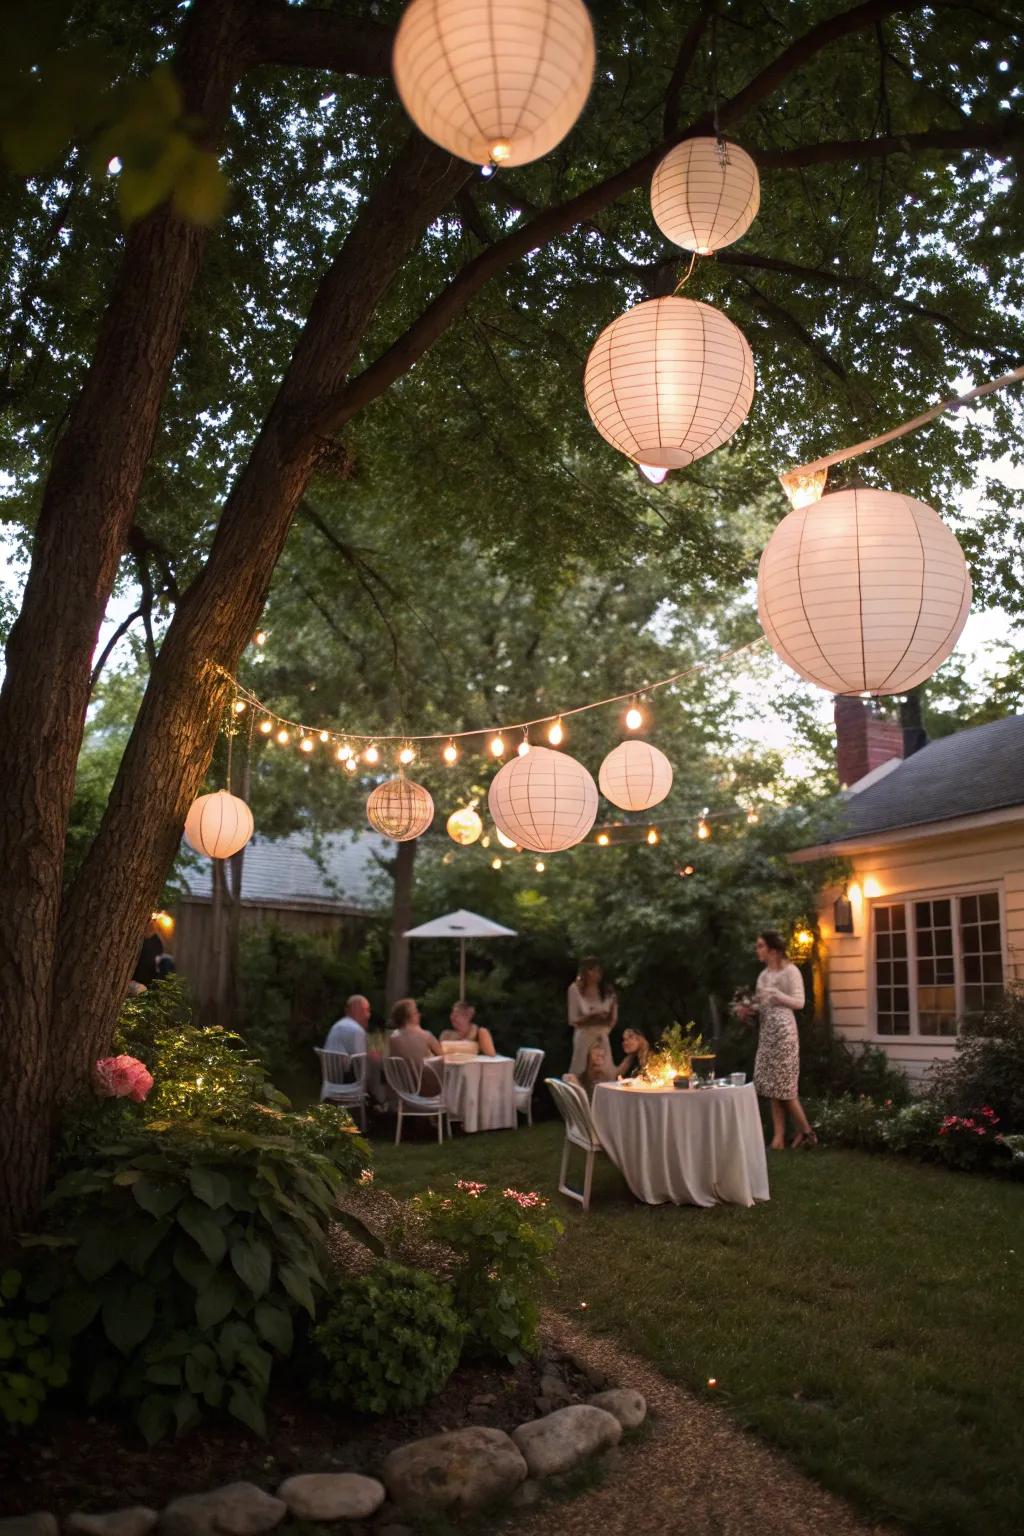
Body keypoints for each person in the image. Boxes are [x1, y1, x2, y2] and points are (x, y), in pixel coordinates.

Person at [745, 931, 817, 1149]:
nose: (757, 950)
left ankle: (807, 1133)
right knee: (772, 1086)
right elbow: (760, 1003)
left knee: (785, 1086)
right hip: (767, 1033)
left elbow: (800, 1002)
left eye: (760, 946)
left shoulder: (791, 971)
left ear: (773, 950)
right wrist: (748, 1010)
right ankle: (778, 1138)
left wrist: (778, 995)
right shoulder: (763, 975)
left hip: (785, 1032)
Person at [567, 956, 618, 1076]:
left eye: (597, 970)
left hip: (602, 1036)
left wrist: (603, 1019)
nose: (595, 974)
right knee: (581, 1071)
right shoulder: (575, 989)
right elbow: (573, 1020)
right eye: (592, 970)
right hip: (584, 1037)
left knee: (604, 1073)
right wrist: (591, 1016)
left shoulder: (608, 991)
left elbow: (612, 1019)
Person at [387, 997, 444, 1095]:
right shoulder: (425, 1035)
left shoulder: (392, 1039)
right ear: (410, 1017)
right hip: (428, 1089)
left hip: (403, 1089)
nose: (419, 1015)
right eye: (416, 1012)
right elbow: (444, 1058)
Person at [132, 916, 164, 988]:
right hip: (135, 979)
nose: (151, 927)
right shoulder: (138, 940)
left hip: (149, 981)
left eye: (153, 925)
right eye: (149, 925)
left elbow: (157, 962)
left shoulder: (157, 941)